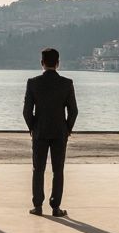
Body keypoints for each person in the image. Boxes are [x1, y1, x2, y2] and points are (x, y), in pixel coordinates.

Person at [23, 47, 78, 216]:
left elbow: (26, 111)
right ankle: (55, 207)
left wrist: (33, 127)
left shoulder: (32, 83)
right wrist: (67, 128)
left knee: (37, 169)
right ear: (58, 63)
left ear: (42, 63)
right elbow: (73, 111)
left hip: (40, 131)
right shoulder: (67, 83)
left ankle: (38, 206)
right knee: (58, 170)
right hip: (59, 132)